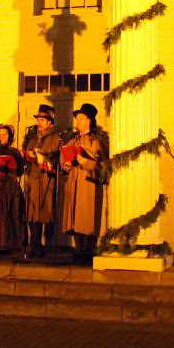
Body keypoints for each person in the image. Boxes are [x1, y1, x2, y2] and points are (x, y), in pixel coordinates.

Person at [61, 103, 108, 264]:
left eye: (81, 118)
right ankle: (79, 250)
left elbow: (103, 167)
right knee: (74, 217)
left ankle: (89, 251)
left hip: (89, 184)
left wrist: (84, 161)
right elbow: (65, 158)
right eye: (77, 118)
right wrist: (66, 164)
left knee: (87, 217)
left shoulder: (96, 141)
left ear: (89, 120)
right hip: (74, 181)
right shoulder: (73, 140)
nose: (78, 121)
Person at [21, 104, 61, 257]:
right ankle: (34, 245)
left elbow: (57, 159)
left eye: (43, 120)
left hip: (47, 180)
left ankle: (49, 246)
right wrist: (27, 155)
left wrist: (44, 157)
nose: (39, 123)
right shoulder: (32, 138)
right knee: (32, 213)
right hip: (33, 178)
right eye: (38, 119)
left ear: (50, 122)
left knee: (47, 212)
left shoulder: (56, 138)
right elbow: (28, 155)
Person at [0, 124, 26, 253]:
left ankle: (9, 244)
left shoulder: (15, 152)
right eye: (0, 134)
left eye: (5, 134)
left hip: (10, 186)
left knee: (10, 212)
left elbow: (20, 172)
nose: (2, 137)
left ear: (10, 136)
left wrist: (10, 167)